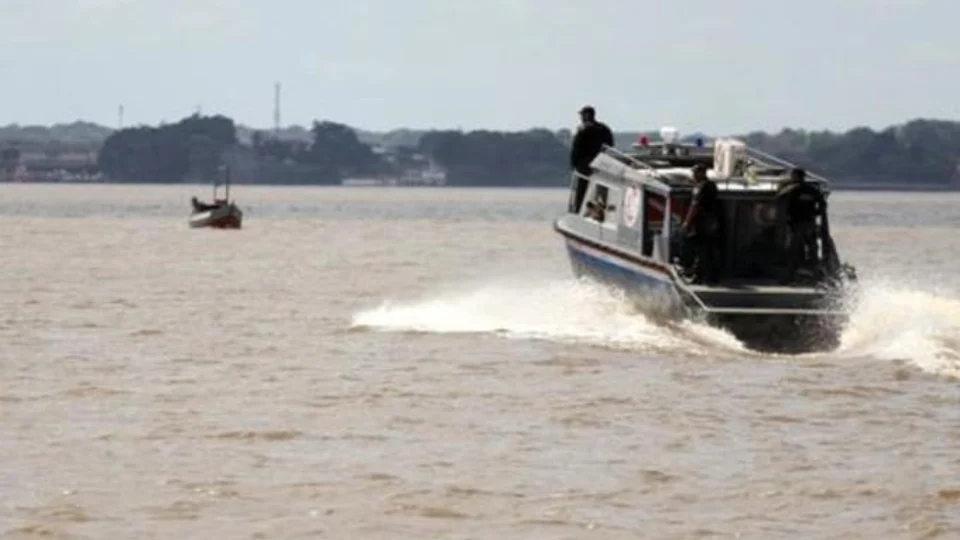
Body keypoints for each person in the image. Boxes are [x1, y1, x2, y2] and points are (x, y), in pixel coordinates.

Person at [779, 168, 826, 279]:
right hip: (810, 223)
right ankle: (814, 273)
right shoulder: (813, 190)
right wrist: (816, 213)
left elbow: (779, 197)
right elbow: (823, 204)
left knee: (794, 250)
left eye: (792, 176)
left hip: (798, 224)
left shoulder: (792, 190)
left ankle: (790, 275)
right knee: (813, 249)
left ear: (795, 176)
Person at [681, 164, 723, 284]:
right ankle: (711, 277)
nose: (693, 176)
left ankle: (698, 276)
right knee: (708, 250)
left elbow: (695, 206)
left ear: (701, 173)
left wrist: (687, 222)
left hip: (701, 223)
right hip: (710, 222)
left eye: (695, 173)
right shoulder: (712, 185)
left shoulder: (701, 186)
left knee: (700, 250)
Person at [569, 106, 614, 212]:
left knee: (582, 189)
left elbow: (576, 148)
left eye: (582, 115)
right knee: (601, 188)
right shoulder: (604, 128)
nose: (581, 117)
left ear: (587, 115)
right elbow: (610, 145)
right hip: (601, 162)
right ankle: (601, 209)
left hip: (584, 164)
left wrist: (573, 164)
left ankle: (579, 209)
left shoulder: (583, 129)